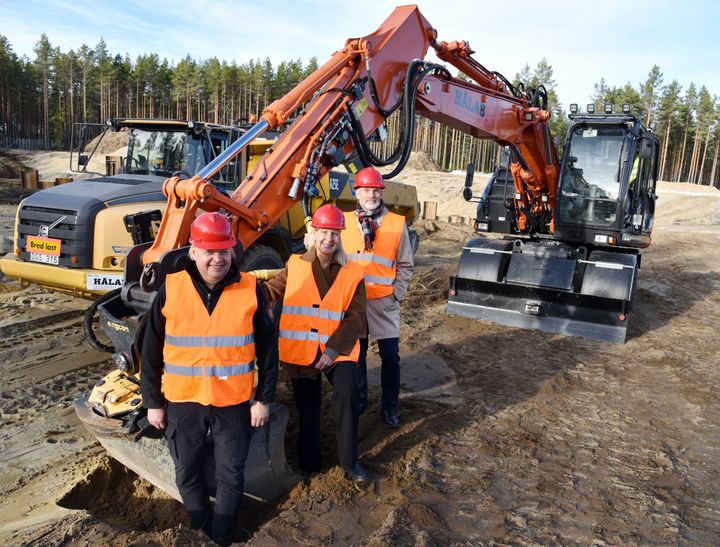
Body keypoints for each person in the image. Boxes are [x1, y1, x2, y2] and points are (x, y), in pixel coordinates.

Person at [141, 211, 278, 546]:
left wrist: (263, 399)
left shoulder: (251, 290)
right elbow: (149, 351)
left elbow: (268, 351)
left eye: (223, 252)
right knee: (187, 472)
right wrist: (152, 403)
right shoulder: (171, 289)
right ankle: (199, 532)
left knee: (230, 475)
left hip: (232, 401)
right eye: (209, 252)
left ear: (233, 251)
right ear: (193, 252)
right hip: (183, 400)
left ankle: (221, 539)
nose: (217, 259)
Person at [264, 204, 368, 482]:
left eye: (334, 233)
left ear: (340, 237)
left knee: (347, 394)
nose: (328, 239)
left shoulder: (353, 272)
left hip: (338, 349)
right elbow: (272, 289)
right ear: (314, 232)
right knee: (308, 409)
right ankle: (310, 464)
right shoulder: (295, 264)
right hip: (302, 351)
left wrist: (332, 351)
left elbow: (355, 318)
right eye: (323, 232)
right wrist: (241, 292)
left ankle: (350, 463)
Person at [342, 166, 414, 428]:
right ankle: (361, 401)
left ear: (381, 192)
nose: (371, 194)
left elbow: (405, 264)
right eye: (366, 190)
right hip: (354, 302)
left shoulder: (396, 223)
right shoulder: (345, 222)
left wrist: (397, 293)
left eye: (375, 190)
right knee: (357, 356)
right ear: (357, 192)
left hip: (384, 302)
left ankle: (390, 406)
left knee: (390, 356)